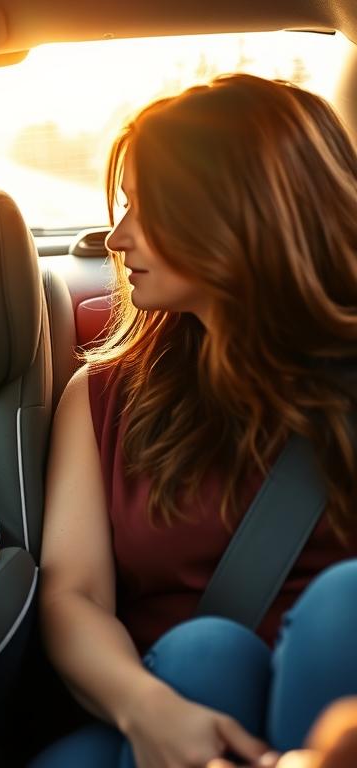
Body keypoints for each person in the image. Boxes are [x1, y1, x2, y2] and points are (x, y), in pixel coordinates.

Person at [32, 74, 357, 768]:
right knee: (202, 654)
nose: (116, 239)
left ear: (240, 214)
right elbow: (73, 595)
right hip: (170, 707)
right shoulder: (102, 396)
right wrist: (148, 710)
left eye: (148, 210)